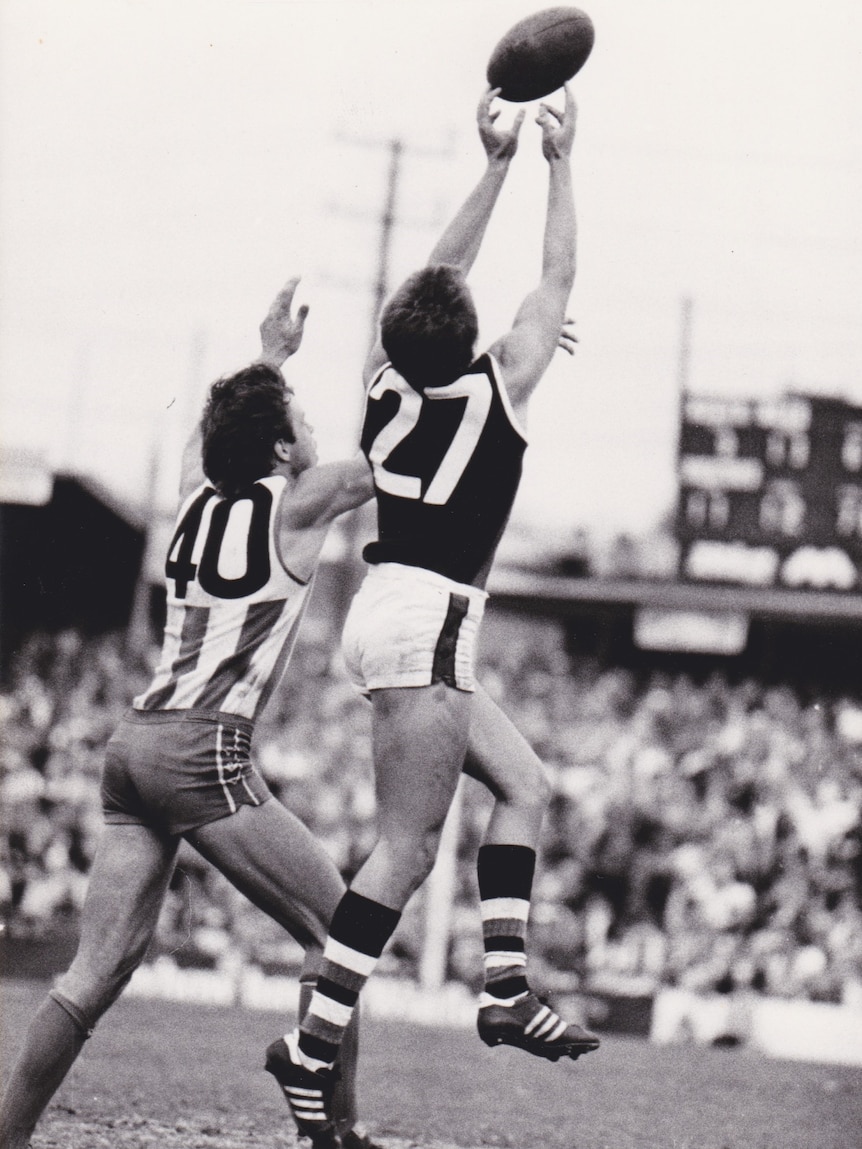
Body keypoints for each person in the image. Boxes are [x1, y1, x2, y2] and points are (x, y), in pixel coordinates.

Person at [265, 85, 599, 1146]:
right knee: (405, 853)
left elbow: (438, 283)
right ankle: (313, 1042)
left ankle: (505, 985)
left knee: (525, 785)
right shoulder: (502, 383)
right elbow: (555, 278)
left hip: (383, 605)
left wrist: (491, 166)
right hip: (431, 616)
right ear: (471, 337)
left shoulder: (383, 385)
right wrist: (557, 161)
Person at [0, 280, 382, 1149]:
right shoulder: (298, 499)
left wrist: (269, 359)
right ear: (284, 446)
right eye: (301, 418)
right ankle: (337, 1135)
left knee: (93, 973)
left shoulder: (193, 495)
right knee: (342, 934)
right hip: (202, 748)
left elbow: (212, 439)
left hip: (132, 745)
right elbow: (389, 457)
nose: (312, 429)